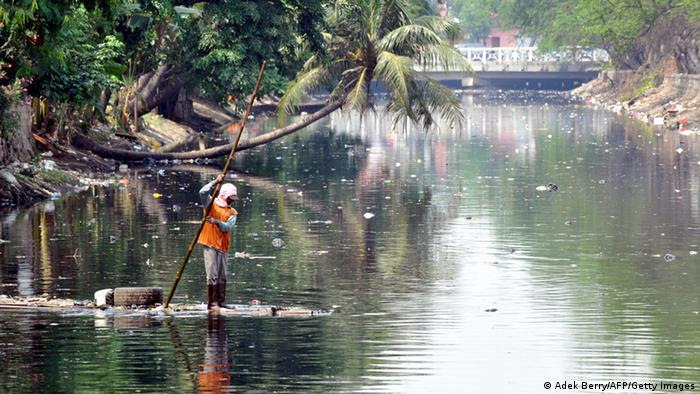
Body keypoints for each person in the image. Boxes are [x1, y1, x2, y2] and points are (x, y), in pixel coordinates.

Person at [198, 174, 238, 310]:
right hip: (210, 243)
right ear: (223, 195)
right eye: (230, 198)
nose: (232, 201)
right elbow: (202, 192)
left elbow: (227, 227)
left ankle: (221, 301)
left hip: (223, 246)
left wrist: (216, 222)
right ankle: (212, 302)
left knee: (222, 276)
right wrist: (216, 181)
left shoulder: (232, 212)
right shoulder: (210, 204)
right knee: (212, 275)